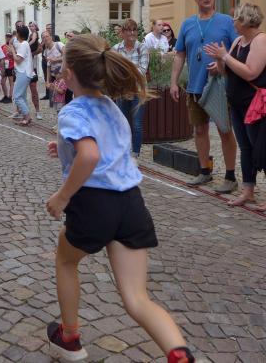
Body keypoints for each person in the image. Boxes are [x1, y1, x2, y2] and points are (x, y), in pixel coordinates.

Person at [44, 33, 194, 363]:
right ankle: (179, 353)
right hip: (130, 204)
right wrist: (64, 147)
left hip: (94, 204)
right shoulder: (112, 108)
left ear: (68, 73)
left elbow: (90, 155)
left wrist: (62, 196)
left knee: (66, 260)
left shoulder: (72, 112)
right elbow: (105, 148)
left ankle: (69, 338)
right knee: (137, 298)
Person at [205, 3, 266, 211]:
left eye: (236, 18)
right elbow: (227, 70)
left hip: (258, 106)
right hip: (238, 104)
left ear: (246, 20)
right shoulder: (238, 41)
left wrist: (225, 56)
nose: (233, 22)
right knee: (246, 148)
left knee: (263, 148)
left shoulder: (262, 40)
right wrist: (219, 60)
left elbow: (250, 72)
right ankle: (248, 191)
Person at [170, 0, 239, 192]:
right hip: (195, 86)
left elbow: (238, 48)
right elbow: (179, 54)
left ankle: (230, 176)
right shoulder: (187, 24)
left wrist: (223, 63)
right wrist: (173, 82)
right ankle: (204, 171)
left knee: (224, 130)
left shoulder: (226, 22)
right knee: (199, 130)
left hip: (220, 86)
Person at [112, 19, 150, 159]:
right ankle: (124, 151)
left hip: (138, 90)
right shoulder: (116, 49)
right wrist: (130, 70)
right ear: (122, 33)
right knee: (122, 123)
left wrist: (124, 71)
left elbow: (142, 70)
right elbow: (114, 71)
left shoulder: (142, 48)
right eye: (129, 30)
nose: (132, 33)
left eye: (134, 30)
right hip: (121, 91)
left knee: (137, 124)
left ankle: (135, 154)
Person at [11, 25, 34, 125]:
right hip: (23, 72)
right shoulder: (24, 44)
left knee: (17, 96)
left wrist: (12, 50)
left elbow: (18, 59)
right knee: (22, 96)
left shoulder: (24, 44)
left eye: (16, 32)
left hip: (23, 72)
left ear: (19, 34)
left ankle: (27, 117)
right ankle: (26, 116)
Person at [42, 31, 64, 104]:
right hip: (55, 77)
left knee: (66, 98)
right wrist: (48, 81)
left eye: (47, 36)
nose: (45, 38)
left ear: (51, 37)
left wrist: (56, 60)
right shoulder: (45, 52)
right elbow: (48, 67)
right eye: (43, 37)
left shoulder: (58, 45)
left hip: (64, 76)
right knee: (57, 100)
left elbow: (67, 56)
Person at [27, 22, 43, 119]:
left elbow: (39, 47)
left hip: (33, 68)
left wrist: (26, 46)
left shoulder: (34, 35)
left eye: (32, 26)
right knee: (21, 91)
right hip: (24, 68)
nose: (30, 27)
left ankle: (37, 111)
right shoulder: (28, 36)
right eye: (29, 26)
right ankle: (20, 111)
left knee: (34, 90)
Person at [0, 33, 15, 103]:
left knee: (11, 82)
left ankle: (10, 97)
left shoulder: (13, 46)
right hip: (4, 66)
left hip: (11, 66)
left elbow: (16, 56)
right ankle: (5, 96)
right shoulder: (3, 46)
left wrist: (11, 54)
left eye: (10, 37)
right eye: (7, 37)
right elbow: (0, 56)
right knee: (2, 82)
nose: (8, 38)